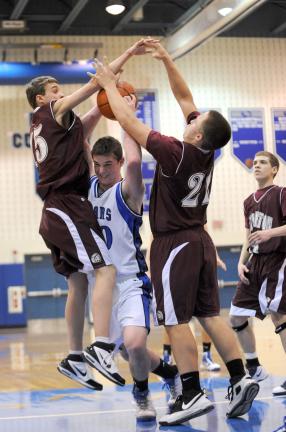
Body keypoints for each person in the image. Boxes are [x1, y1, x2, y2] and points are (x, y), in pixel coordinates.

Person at [91, 40, 259, 425]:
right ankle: (239, 376)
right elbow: (185, 96)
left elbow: (129, 123)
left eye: (197, 122)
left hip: (173, 243)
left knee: (174, 320)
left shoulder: (176, 151)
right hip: (199, 239)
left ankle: (192, 393)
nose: (191, 119)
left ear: (198, 135)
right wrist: (167, 60)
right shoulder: (204, 150)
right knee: (208, 313)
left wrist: (109, 85)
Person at [26, 39, 157, 388]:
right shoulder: (48, 112)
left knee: (77, 282)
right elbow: (94, 87)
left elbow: (96, 110)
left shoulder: (58, 129)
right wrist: (122, 60)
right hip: (67, 205)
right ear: (41, 98)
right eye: (54, 89)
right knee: (105, 268)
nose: (60, 91)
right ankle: (100, 345)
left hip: (55, 210)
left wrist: (112, 82)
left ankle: (73, 356)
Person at [229, 151, 286, 396]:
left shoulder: (282, 193)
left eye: (264, 162)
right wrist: (240, 263)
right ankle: (254, 366)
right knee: (235, 316)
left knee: (278, 316)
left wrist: (269, 233)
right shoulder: (248, 201)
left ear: (274, 169)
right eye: (256, 162)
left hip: (277, 260)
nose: (257, 165)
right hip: (254, 262)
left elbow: (267, 233)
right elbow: (248, 236)